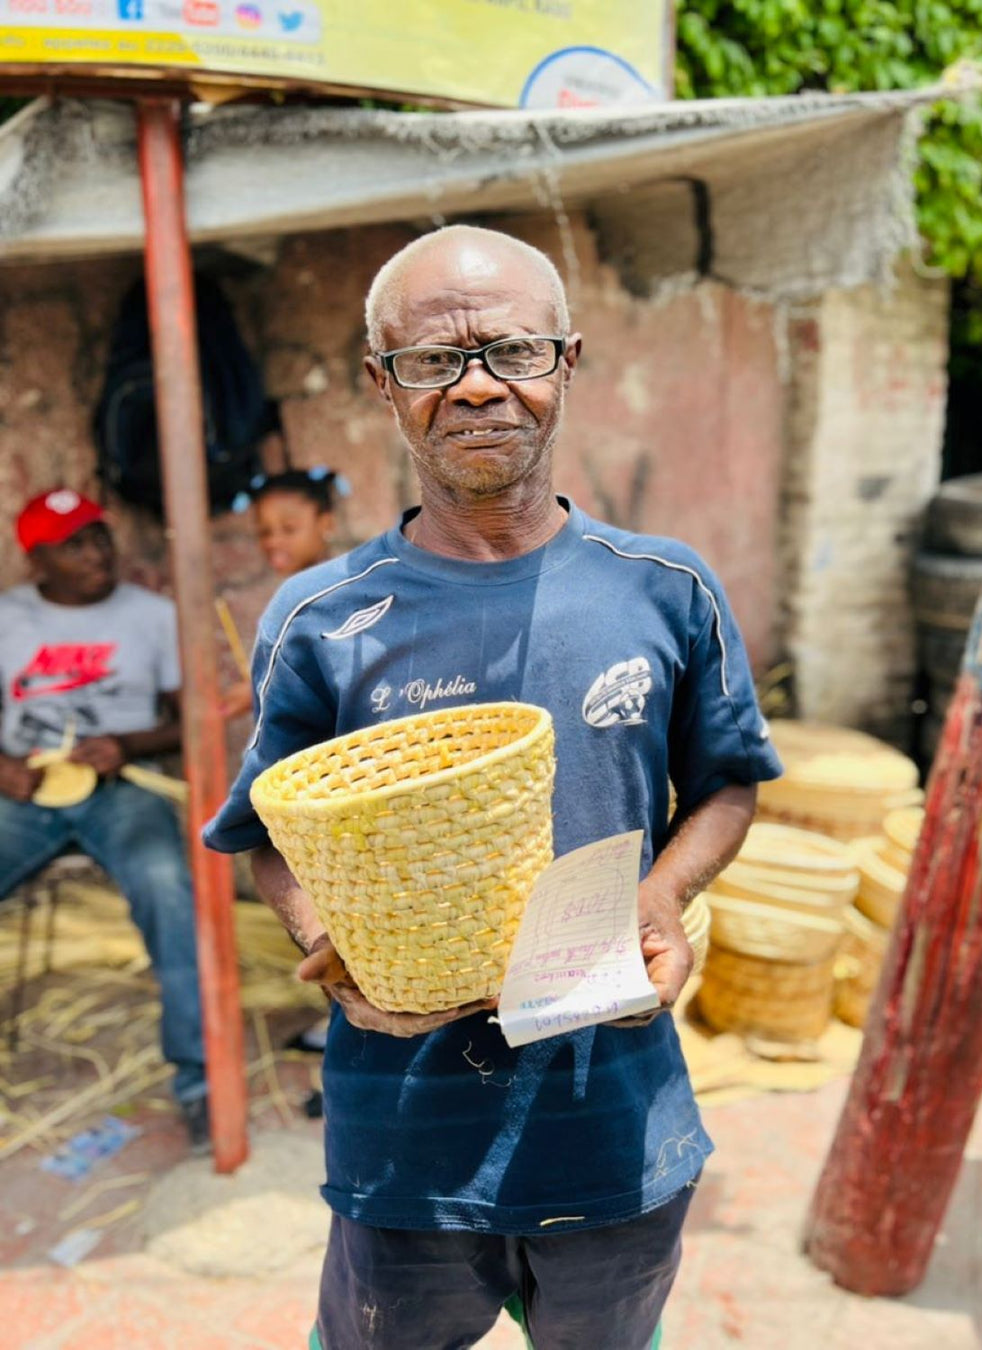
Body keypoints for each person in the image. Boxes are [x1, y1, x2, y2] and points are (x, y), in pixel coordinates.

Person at [204, 225, 782, 1350]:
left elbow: (726, 785)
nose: (476, 387)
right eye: (431, 361)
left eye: (512, 351)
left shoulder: (663, 589)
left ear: (567, 362)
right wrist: (325, 934)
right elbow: (265, 830)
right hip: (406, 1129)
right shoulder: (321, 617)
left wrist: (662, 896)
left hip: (613, 1115)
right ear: (383, 384)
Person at [0, 489, 208, 1148]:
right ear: (38, 563)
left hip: (121, 788)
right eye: (74, 544)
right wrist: (3, 770)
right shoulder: (8, 618)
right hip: (25, 790)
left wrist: (127, 746)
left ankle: (200, 1081)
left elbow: (189, 720)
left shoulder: (150, 616)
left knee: (166, 887)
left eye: (99, 537)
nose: (96, 554)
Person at [220, 466, 347, 721]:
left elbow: (338, 677)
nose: (273, 541)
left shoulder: (340, 592)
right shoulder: (297, 596)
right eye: (264, 532)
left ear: (327, 523)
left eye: (289, 529)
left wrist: (260, 690)